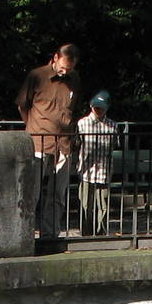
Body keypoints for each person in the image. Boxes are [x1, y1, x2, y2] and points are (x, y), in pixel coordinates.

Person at [15, 44, 82, 237]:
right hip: (39, 141)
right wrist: (33, 128)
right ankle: (25, 235)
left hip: (64, 143)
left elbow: (73, 107)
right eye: (63, 67)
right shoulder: (37, 75)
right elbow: (22, 106)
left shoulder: (74, 79)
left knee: (58, 194)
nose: (65, 71)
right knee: (32, 192)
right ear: (55, 58)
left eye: (69, 69)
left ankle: (50, 234)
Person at [75, 90, 116, 236]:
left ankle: (101, 232)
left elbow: (113, 147)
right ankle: (86, 232)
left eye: (101, 107)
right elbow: (77, 145)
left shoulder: (112, 125)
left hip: (104, 170)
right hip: (86, 170)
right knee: (86, 204)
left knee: (103, 205)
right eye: (96, 107)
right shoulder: (82, 123)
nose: (98, 110)